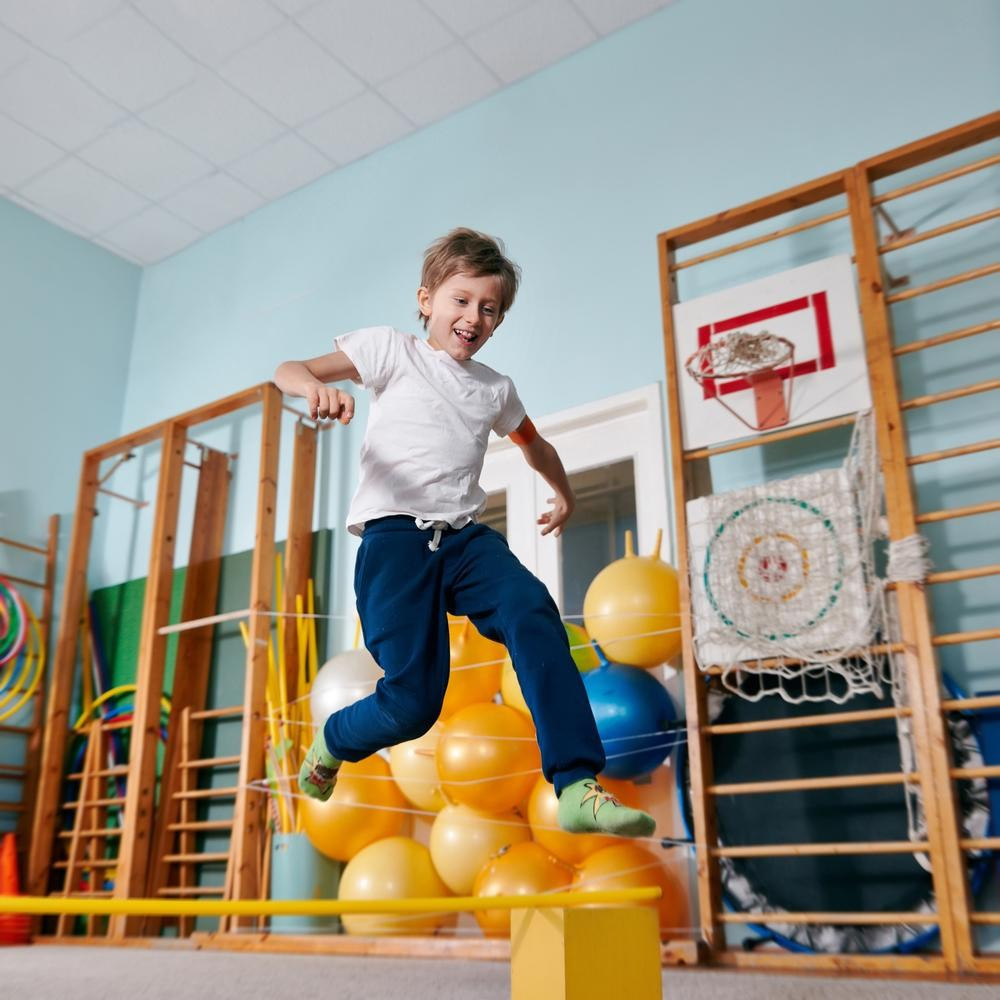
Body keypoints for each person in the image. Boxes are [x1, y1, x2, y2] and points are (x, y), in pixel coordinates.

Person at [273, 227, 654, 838]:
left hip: (462, 541)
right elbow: (287, 369)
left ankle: (578, 782)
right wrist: (316, 388)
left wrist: (565, 492)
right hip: (394, 543)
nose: (473, 316)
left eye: (489, 308)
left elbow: (537, 446)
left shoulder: (494, 389)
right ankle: (335, 740)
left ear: (499, 320)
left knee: (531, 607)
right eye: (460, 300)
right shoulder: (389, 351)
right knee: (414, 704)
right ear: (426, 299)